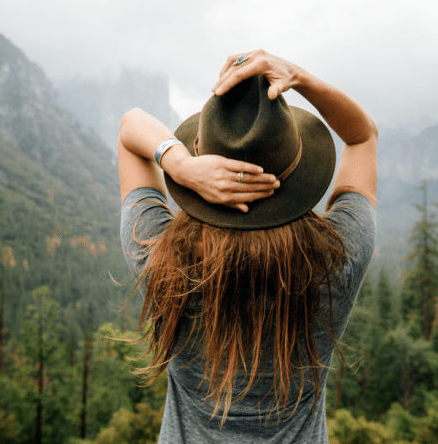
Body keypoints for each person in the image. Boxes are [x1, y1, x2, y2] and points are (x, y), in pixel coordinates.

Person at [118, 49, 377, 443]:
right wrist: (299, 77)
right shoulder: (336, 262)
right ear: (298, 168)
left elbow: (130, 128)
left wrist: (180, 165)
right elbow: (362, 136)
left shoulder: (164, 262)